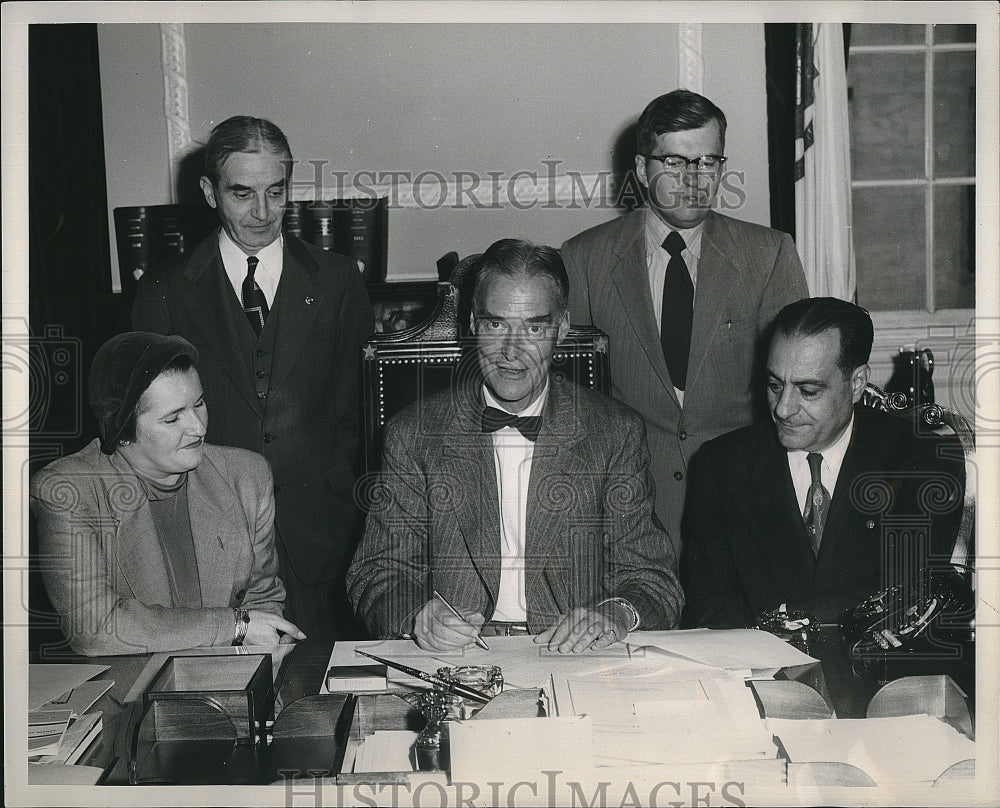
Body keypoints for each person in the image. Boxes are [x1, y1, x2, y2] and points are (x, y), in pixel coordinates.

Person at [347, 239, 683, 652]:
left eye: (535, 328)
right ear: (472, 323)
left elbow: (653, 580)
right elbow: (376, 572)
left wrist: (614, 613)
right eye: (495, 324)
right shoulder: (413, 435)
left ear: (561, 328)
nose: (512, 351)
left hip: (576, 657)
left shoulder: (613, 433)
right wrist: (417, 614)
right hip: (455, 658)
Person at [132, 116, 374, 639]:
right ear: (209, 192)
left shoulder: (336, 282)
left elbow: (355, 419)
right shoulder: (164, 291)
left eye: (276, 191)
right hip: (211, 546)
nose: (263, 213)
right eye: (243, 194)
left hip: (322, 546)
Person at [561, 89, 809, 555]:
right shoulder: (584, 259)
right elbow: (575, 404)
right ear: (641, 170)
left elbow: (795, 397)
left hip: (744, 504)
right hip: (625, 508)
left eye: (707, 162)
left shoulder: (770, 254)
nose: (693, 180)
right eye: (674, 162)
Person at [681, 298, 965, 628]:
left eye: (808, 390)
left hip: (879, 670)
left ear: (856, 383)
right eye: (775, 385)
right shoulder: (721, 466)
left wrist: (785, 622)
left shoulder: (921, 456)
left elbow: (907, 589)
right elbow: (710, 602)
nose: (783, 409)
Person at [30, 332, 304, 656]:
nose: (199, 428)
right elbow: (95, 629)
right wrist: (233, 626)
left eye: (199, 404)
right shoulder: (69, 492)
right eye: (173, 418)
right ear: (122, 432)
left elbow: (262, 603)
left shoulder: (246, 477)